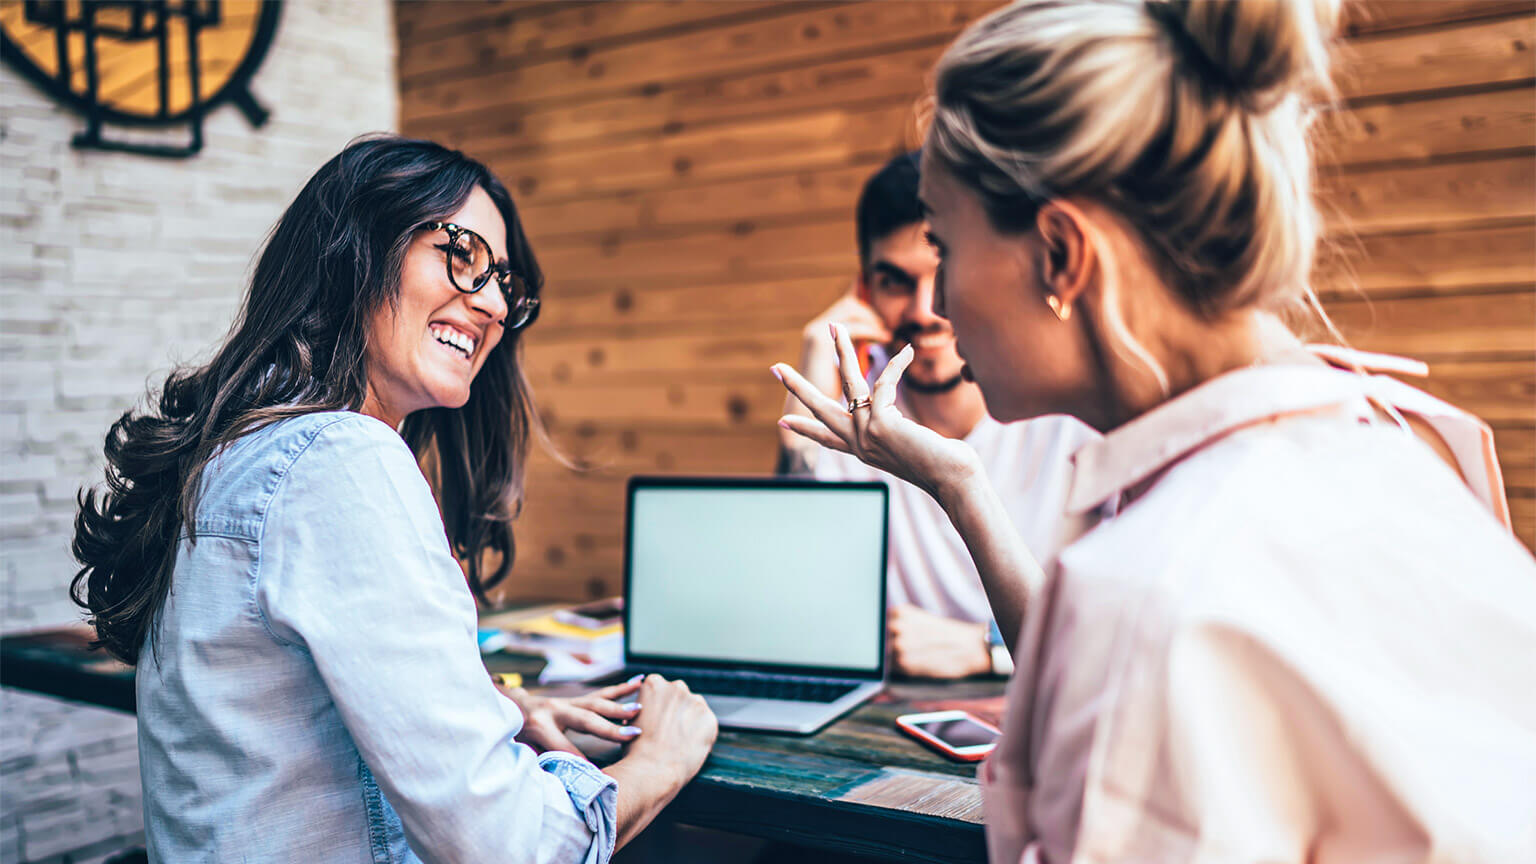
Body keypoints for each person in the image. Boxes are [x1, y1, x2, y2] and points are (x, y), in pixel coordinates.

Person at [772, 0, 1536, 860]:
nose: (935, 308)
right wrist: (957, 480)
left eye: (945, 249)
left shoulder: (1150, 595)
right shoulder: (1402, 445)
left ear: (1060, 255)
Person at [71, 135, 717, 863]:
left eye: (506, 281)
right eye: (464, 254)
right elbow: (509, 846)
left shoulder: (237, 453)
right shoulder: (342, 461)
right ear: (355, 249)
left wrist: (488, 710)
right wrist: (660, 760)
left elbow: (278, 716)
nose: (495, 303)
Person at [776, 153, 1099, 679]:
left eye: (942, 272)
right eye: (896, 282)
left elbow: (1113, 629)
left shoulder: (1067, 408)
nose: (927, 310)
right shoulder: (853, 411)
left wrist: (986, 647)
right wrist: (806, 406)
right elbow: (794, 606)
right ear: (864, 290)